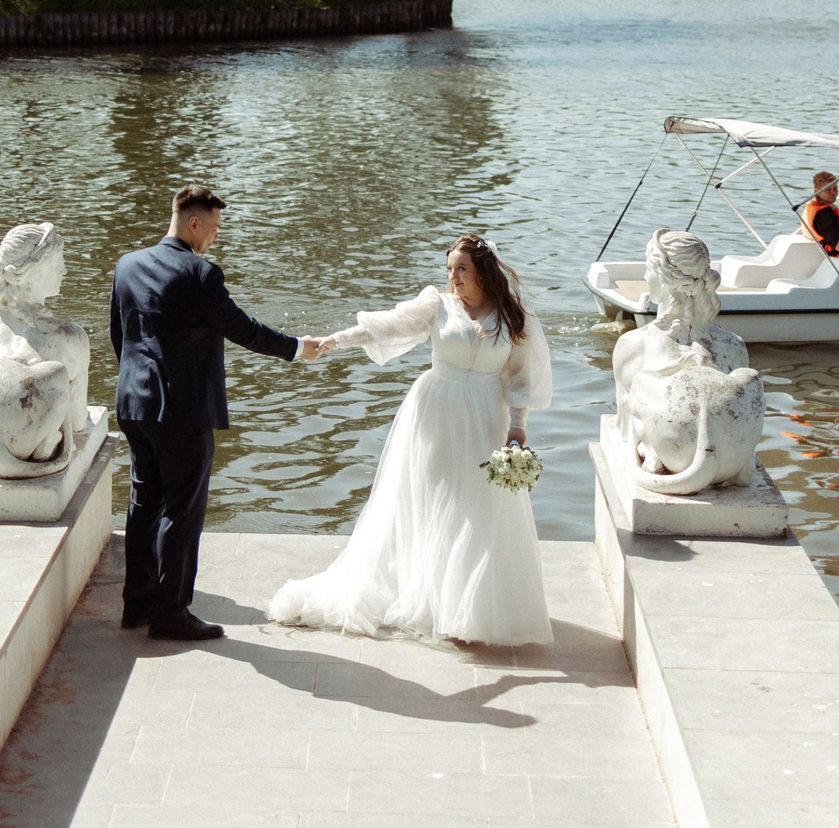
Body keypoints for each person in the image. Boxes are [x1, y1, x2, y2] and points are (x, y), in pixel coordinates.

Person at [268, 235, 553, 646]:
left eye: (461, 269)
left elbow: (520, 376)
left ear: (483, 272)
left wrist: (518, 427)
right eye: (450, 269)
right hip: (436, 412)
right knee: (437, 501)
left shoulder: (513, 316)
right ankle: (432, 599)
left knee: (481, 507)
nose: (453, 277)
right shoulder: (437, 305)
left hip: (487, 416)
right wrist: (337, 340)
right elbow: (387, 325)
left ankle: (468, 607)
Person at [109, 185, 319, 642]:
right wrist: (297, 348)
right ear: (194, 223)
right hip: (181, 412)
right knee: (182, 510)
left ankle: (137, 604)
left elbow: (119, 335)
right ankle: (170, 614)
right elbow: (242, 328)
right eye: (215, 228)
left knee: (144, 503)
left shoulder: (127, 264)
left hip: (133, 404)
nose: (216, 237)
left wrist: (136, 386)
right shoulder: (200, 274)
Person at [796, 170, 839, 252]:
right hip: (836, 255)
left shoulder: (813, 207)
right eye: (828, 190)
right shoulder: (823, 215)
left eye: (835, 188)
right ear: (817, 191)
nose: (833, 193)